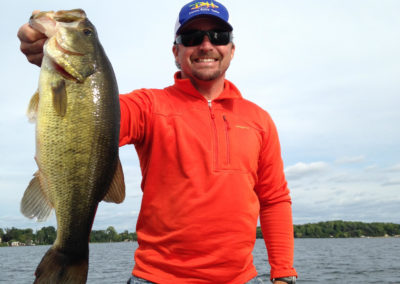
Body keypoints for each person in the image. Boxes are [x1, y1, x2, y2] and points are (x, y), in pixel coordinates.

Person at [18, 1, 297, 283]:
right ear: (176, 52)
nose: (205, 45)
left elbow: (274, 200)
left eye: (218, 36)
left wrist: (284, 273)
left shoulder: (259, 120)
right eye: (190, 38)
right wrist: (46, 54)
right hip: (155, 278)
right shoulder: (148, 105)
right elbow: (97, 117)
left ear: (231, 50)